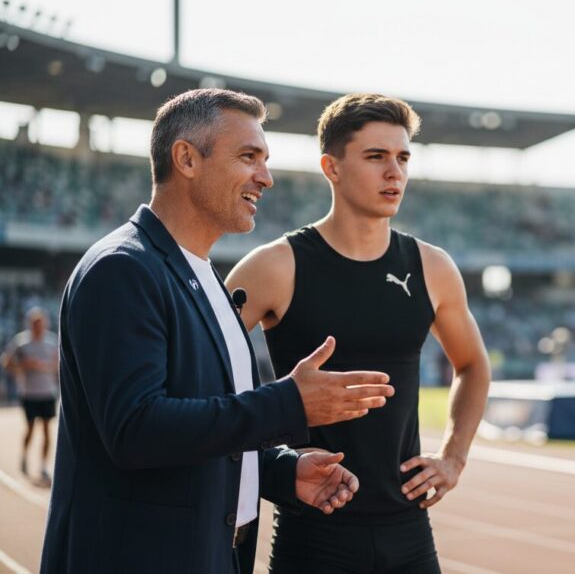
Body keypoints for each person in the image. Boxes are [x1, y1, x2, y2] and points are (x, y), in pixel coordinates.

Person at [40, 89, 396, 574]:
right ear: (186, 158)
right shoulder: (122, 270)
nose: (266, 178)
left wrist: (278, 470)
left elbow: (204, 426)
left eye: (265, 160)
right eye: (248, 157)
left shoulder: (205, 274)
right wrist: (288, 403)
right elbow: (136, 430)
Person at [226, 93, 491, 573]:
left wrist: (454, 458)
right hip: (314, 531)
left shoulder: (432, 267)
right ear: (332, 166)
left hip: (409, 531)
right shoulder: (275, 266)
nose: (395, 172)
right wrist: (276, 451)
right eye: (376, 157)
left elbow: (472, 366)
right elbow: (200, 372)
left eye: (403, 157)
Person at [1, 306, 59, 482]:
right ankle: (25, 455)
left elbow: (58, 364)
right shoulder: (21, 342)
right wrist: (23, 367)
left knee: (47, 429)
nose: (38, 327)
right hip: (29, 392)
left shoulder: (52, 341)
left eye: (41, 323)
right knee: (31, 428)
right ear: (30, 324)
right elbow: (7, 362)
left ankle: (43, 466)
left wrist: (43, 366)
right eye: (35, 324)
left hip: (47, 391)